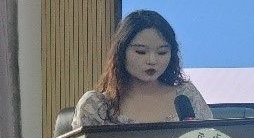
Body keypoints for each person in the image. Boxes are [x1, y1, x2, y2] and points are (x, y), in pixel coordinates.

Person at [72, 9, 212, 128]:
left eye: (162, 52)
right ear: (121, 52)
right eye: (141, 52)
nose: (152, 60)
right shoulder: (96, 105)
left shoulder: (186, 96)